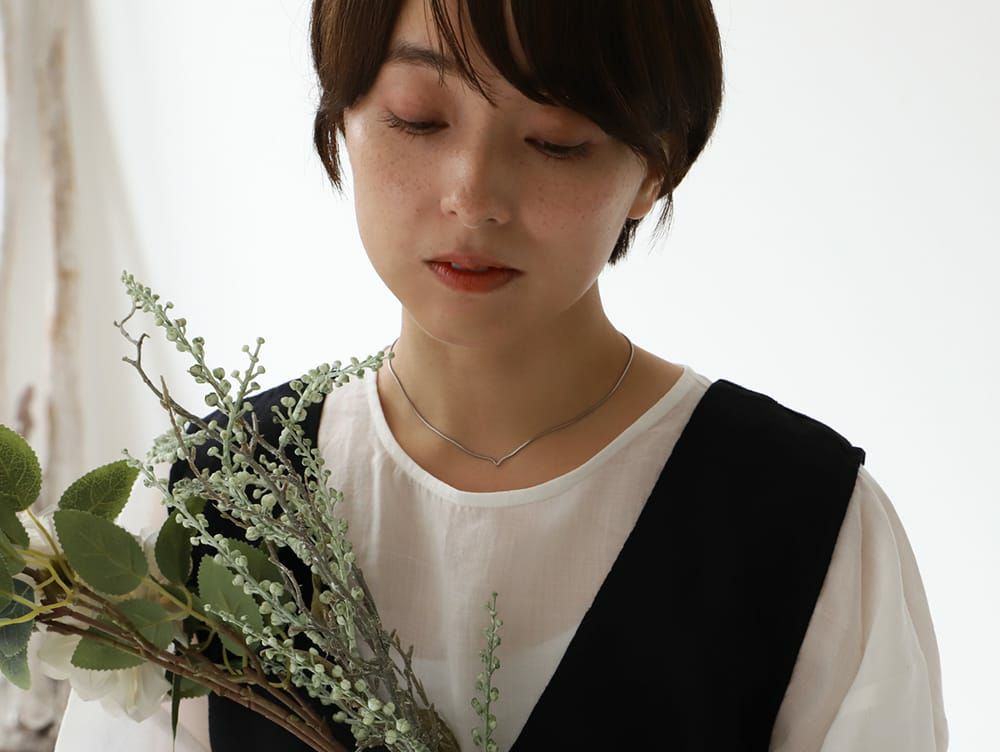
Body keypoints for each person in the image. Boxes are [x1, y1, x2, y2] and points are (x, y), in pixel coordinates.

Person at [52, 1, 948, 750]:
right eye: (418, 117)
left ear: (656, 166)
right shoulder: (201, 508)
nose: (474, 196)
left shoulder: (805, 524)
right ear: (342, 119)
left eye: (556, 139)